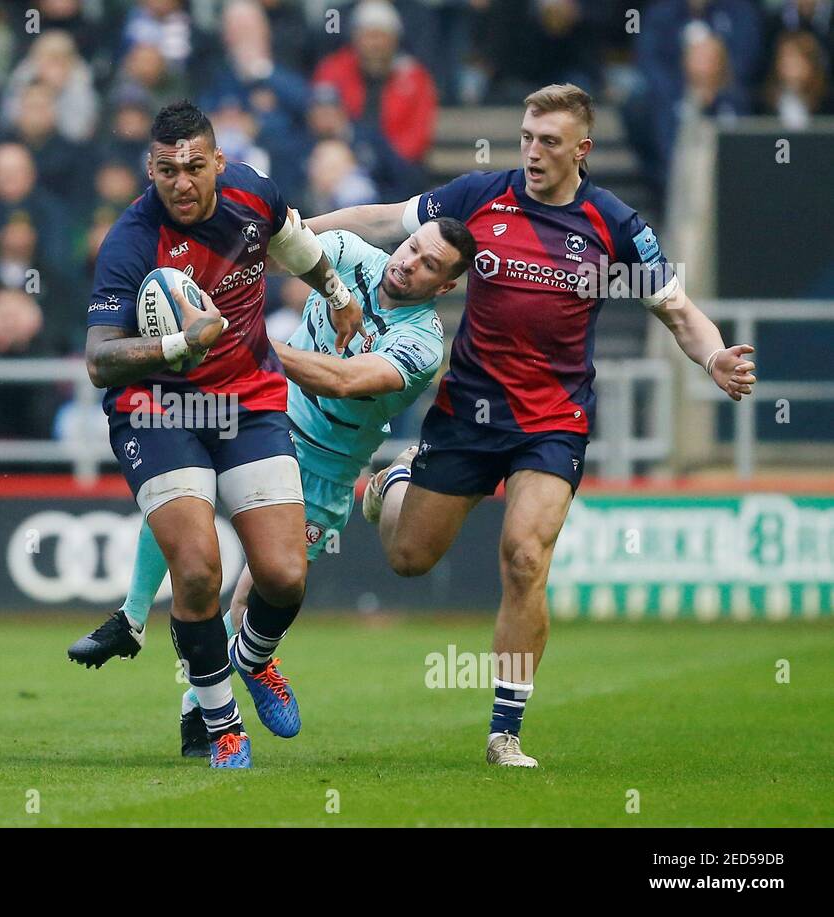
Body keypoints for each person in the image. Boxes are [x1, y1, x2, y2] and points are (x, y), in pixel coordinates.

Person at [307, 83, 758, 768]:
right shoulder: (481, 195)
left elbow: (678, 311)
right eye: (526, 136)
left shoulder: (615, 225)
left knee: (524, 556)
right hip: (468, 412)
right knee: (408, 557)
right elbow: (382, 220)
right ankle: (392, 481)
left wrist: (715, 355)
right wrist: (293, 233)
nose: (533, 151)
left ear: (582, 148)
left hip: (553, 420)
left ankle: (504, 732)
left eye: (548, 141)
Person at [72, 219, 475, 758]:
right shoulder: (351, 255)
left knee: (265, 593)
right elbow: (265, 254)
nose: (409, 261)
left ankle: (243, 666)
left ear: (446, 286)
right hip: (261, 417)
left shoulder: (423, 343)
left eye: (429, 264)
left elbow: (344, 379)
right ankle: (137, 620)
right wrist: (193, 295)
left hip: (326, 469)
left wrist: (244, 339)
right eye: (411, 247)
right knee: (185, 494)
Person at [82, 100, 364, 768]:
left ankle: (254, 657)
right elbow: (99, 359)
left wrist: (335, 290)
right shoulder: (131, 240)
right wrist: (180, 342)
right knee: (199, 567)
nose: (181, 181)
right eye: (165, 169)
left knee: (285, 573)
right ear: (149, 169)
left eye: (194, 166)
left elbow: (291, 240)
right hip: (157, 410)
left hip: (247, 398)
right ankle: (222, 725)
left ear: (217, 161)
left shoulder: (252, 193)